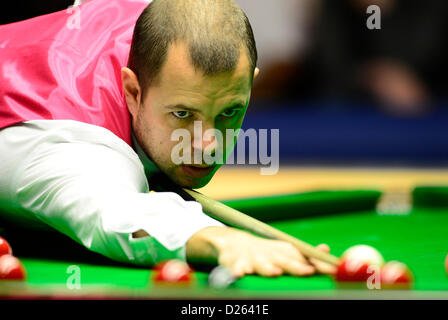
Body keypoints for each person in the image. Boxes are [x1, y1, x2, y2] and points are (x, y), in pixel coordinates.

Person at [0, 0, 333, 277]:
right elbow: (117, 216)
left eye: (229, 112)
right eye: (183, 115)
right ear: (132, 91)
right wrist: (218, 239)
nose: (207, 146)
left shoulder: (157, 21)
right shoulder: (68, 143)